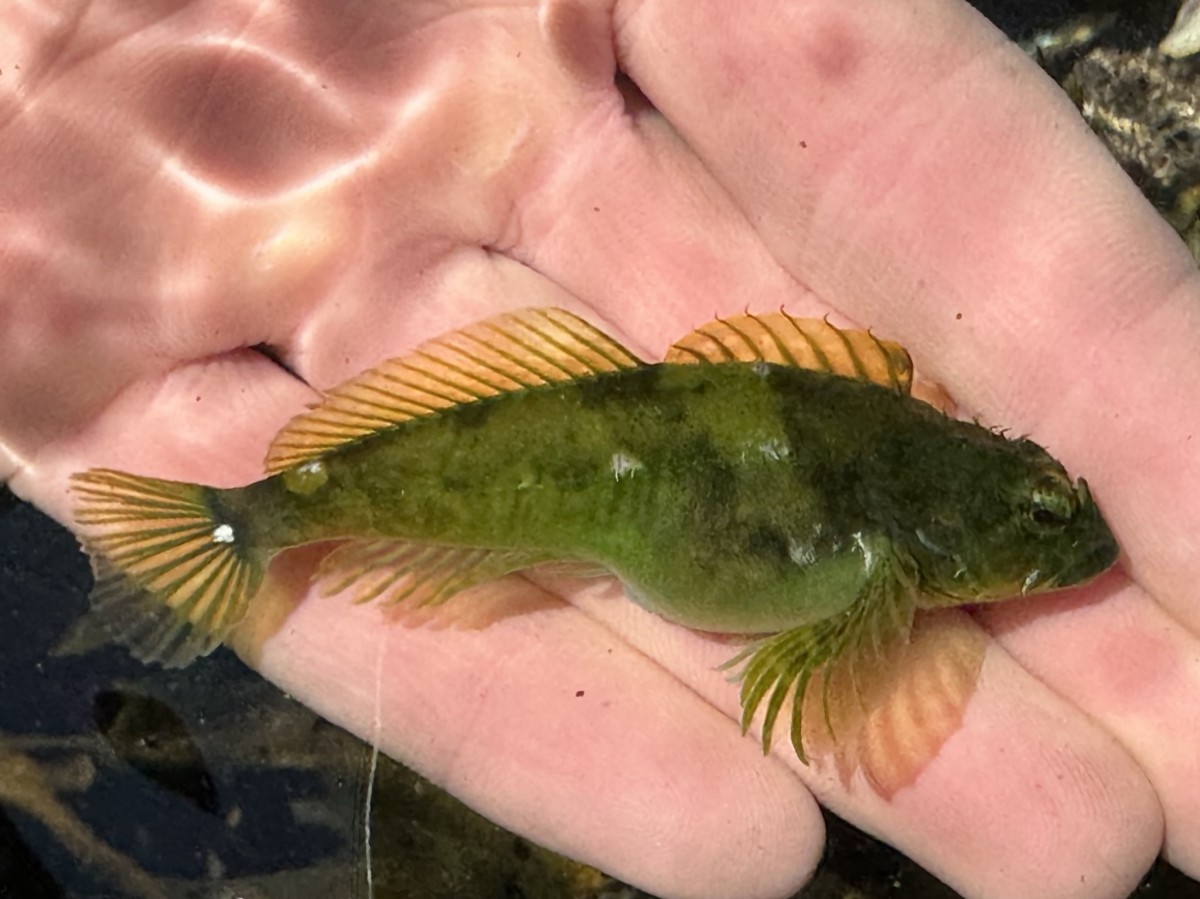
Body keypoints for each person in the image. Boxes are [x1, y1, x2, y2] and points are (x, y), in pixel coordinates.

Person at [3, 1, 1198, 897]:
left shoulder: (900, 467)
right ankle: (246, 522)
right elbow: (811, 674)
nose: (1062, 535)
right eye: (1040, 515)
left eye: (1039, 507)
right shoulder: (893, 534)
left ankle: (251, 520)